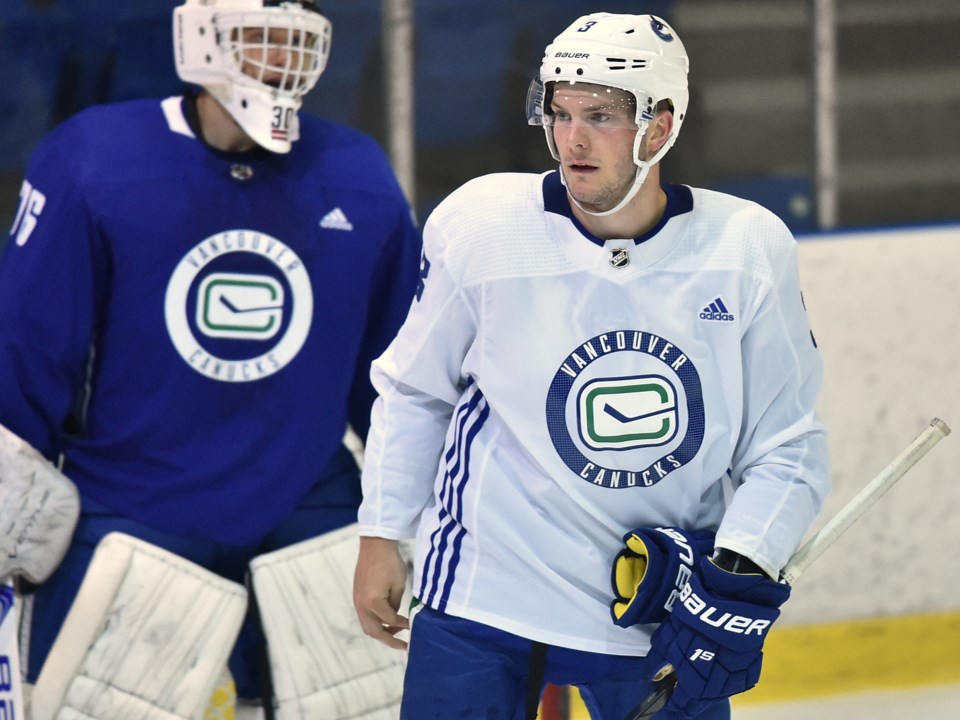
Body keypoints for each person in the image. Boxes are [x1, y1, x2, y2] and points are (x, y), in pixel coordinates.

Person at [353, 11, 830, 720]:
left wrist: (741, 565)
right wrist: (382, 533)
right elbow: (414, 389)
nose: (571, 139)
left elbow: (787, 447)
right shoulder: (483, 225)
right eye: (560, 111)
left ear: (661, 127)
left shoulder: (746, 248)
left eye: (601, 116)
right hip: (486, 601)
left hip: (661, 611)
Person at [0, 0, 420, 713]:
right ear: (201, 36)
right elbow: (28, 346)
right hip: (132, 511)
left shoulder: (359, 173)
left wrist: (413, 510)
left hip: (308, 512)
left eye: (295, 42)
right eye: (258, 38)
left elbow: (399, 379)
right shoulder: (95, 160)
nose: (281, 61)